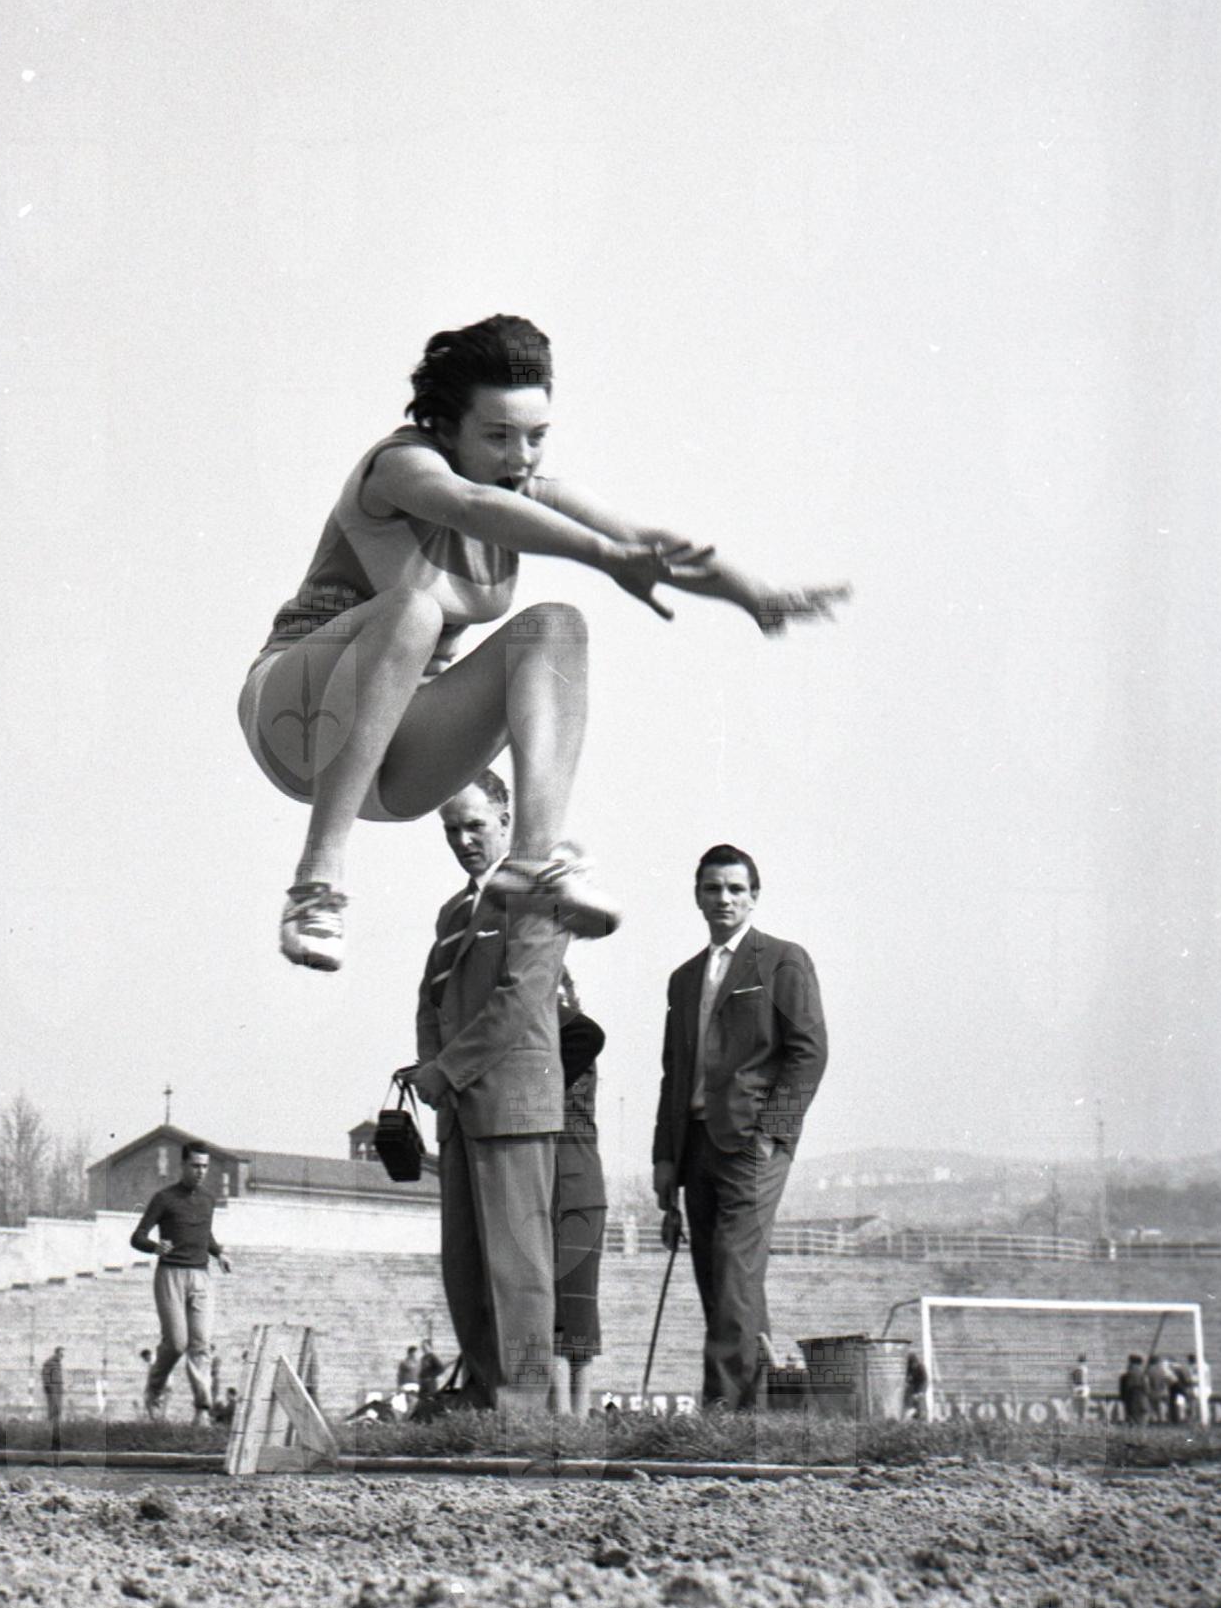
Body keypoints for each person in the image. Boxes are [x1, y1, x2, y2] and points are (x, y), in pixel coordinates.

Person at [240, 314, 848, 970]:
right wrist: (601, 556)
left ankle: (531, 864)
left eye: (536, 437)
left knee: (556, 626)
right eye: (497, 436)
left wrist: (753, 596)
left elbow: (646, 545)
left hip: (395, 762)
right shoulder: (400, 467)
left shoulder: (531, 494)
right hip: (294, 716)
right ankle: (316, 885)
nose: (520, 458)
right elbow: (469, 507)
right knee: (413, 613)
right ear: (445, 427)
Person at [412, 772, 569, 1416]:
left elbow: (518, 1000)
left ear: (506, 818)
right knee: (467, 1267)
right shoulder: (454, 912)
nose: (463, 840)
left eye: (474, 825)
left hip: (512, 1107)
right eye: (451, 829)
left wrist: (446, 1070)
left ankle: (524, 1409)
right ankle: (483, 1396)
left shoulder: (538, 893)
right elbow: (432, 999)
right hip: (459, 1111)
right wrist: (431, 1069)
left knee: (517, 1271)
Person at [652, 845, 828, 1411]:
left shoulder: (783, 961)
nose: (723, 899)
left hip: (752, 1143)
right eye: (712, 888)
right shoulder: (684, 979)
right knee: (721, 1277)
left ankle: (724, 1407)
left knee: (733, 1268)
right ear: (697, 896)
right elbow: (673, 1073)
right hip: (695, 1143)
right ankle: (761, 1407)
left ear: (754, 896)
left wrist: (772, 1134)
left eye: (735, 889)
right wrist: (664, 1159)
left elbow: (809, 1052)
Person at [130, 1141, 231, 1420]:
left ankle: (202, 1410)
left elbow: (204, 1235)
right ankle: (154, 1390)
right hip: (170, 1275)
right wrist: (154, 1247)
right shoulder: (164, 1198)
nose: (200, 1172)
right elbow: (137, 1237)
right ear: (183, 1165)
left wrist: (219, 1253)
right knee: (176, 1343)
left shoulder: (208, 1200)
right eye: (195, 1166)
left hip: (201, 1276)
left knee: (201, 1344)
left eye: (205, 1167)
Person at [554, 967, 608, 1419]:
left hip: (573, 1184)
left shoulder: (570, 1045)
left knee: (572, 1314)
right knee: (568, 1313)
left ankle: (573, 1419)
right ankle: (568, 1419)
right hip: (573, 1182)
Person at [41, 1346, 66, 1450]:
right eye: (61, 1354)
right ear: (56, 1353)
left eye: (63, 1355)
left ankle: (56, 1445)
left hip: (58, 1394)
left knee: (57, 1418)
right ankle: (52, 1444)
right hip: (53, 1395)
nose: (62, 1356)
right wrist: (51, 1393)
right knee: (53, 1418)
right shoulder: (49, 1363)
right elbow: (46, 1379)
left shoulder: (58, 1364)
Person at [903, 1348, 929, 1420]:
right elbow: (906, 1379)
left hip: (920, 1387)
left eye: (914, 1364)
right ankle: (910, 1414)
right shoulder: (907, 1368)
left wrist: (921, 1392)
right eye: (911, 1364)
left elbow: (925, 1380)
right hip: (912, 1388)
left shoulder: (921, 1366)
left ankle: (922, 1416)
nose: (914, 1366)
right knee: (910, 1400)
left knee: (920, 1402)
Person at [1146, 1352, 1172, 1424]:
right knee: (1162, 1406)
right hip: (1163, 1391)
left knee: (1153, 1407)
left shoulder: (1148, 1371)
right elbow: (1170, 1379)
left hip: (1152, 1392)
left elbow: (1146, 1382)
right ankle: (1163, 1419)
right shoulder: (1162, 1370)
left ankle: (1155, 1420)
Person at [1192, 1350, 1212, 1427]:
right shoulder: (1206, 1366)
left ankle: (1201, 1419)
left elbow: (1195, 1378)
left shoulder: (1197, 1366)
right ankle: (1206, 1418)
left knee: (1199, 1404)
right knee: (1204, 1403)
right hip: (1206, 1388)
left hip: (1201, 1388)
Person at [1069, 1354, 1091, 1423]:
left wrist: (1072, 1385)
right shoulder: (1084, 1368)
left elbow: (1071, 1377)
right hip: (1083, 1387)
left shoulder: (1075, 1368)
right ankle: (1082, 1419)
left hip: (1076, 1387)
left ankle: (1077, 1419)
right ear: (1085, 1361)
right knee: (1083, 1405)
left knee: (1077, 1405)